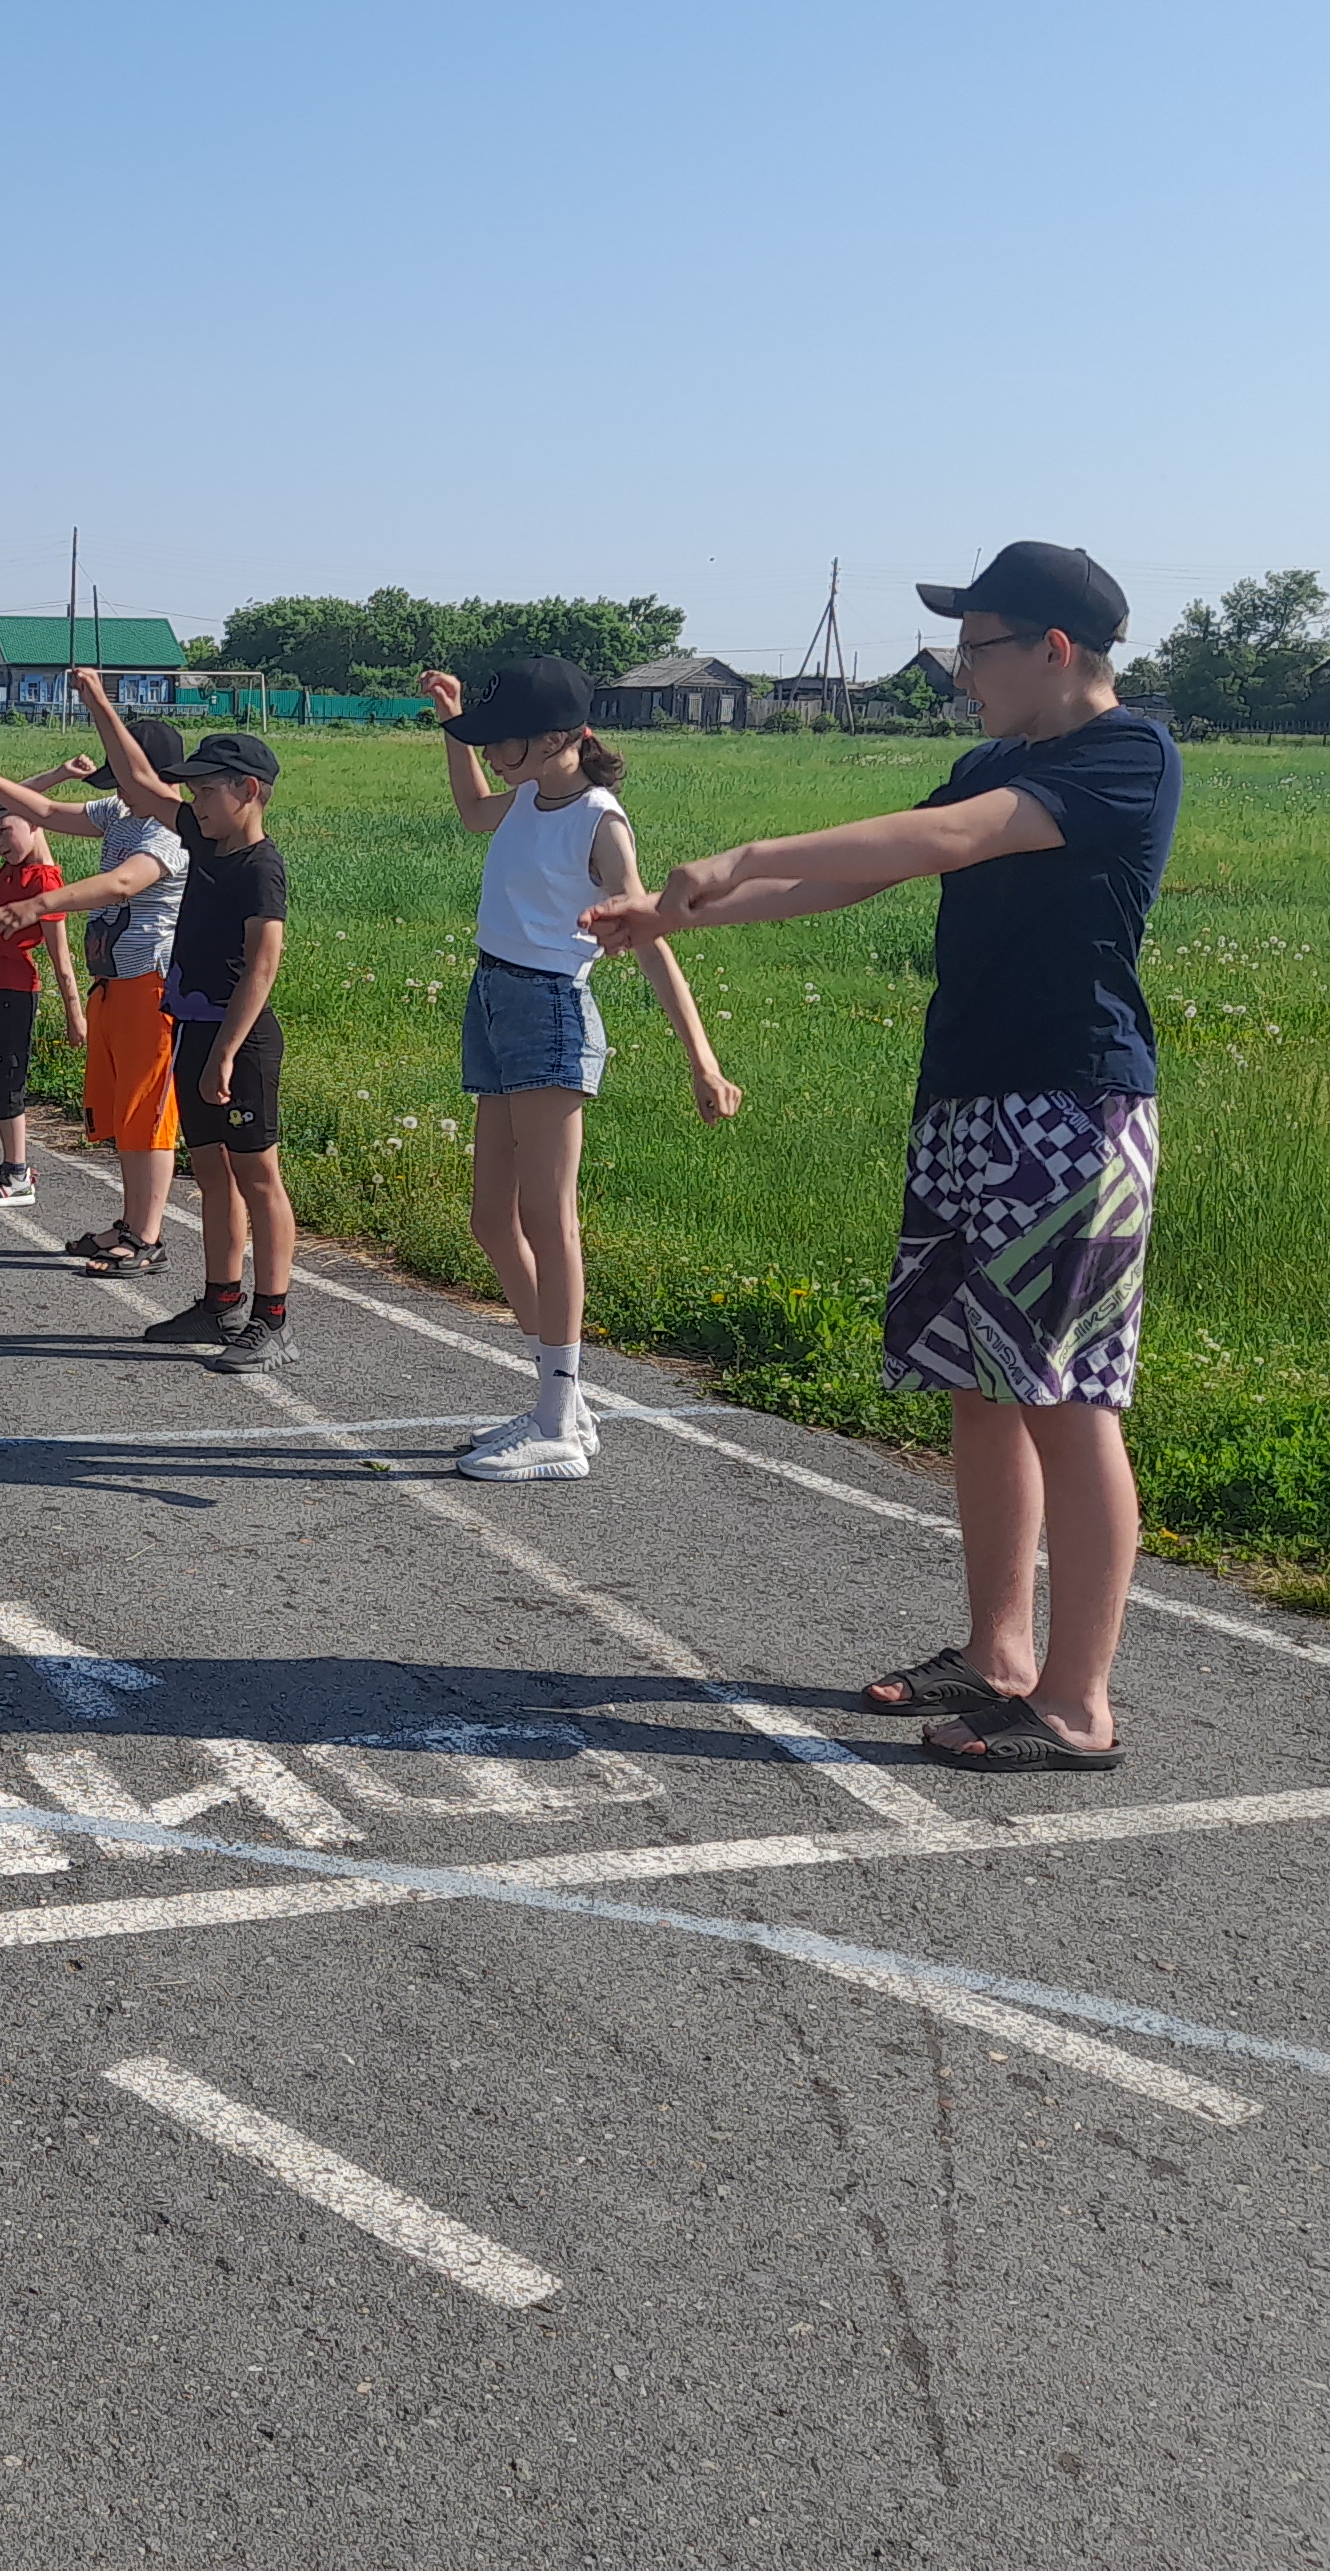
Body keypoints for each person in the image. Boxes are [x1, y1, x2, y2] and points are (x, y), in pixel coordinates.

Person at [583, 542, 1179, 1775]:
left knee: (1066, 1399)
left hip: (1071, 1110)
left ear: (1052, 651)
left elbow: (946, 839)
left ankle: (1076, 1704)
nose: (962, 675)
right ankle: (1000, 1653)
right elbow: (882, 867)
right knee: (979, 1382)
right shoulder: (993, 758)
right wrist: (683, 910)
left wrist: (746, 852)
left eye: (977, 649)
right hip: (970, 1099)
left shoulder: (1126, 756)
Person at [421, 657, 743, 1481]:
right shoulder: (530, 795)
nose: (494, 756)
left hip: (551, 1009)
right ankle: (560, 1400)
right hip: (492, 999)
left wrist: (702, 1062)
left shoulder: (602, 823)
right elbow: (469, 814)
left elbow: (651, 937)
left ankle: (559, 1423)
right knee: (492, 1220)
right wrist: (455, 721)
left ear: (562, 738)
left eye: (505, 743)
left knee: (544, 1216)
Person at [0, 695, 190, 1280]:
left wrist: (38, 903)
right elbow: (45, 810)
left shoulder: (169, 834)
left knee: (147, 1116)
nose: (120, 791)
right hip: (114, 984)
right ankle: (130, 1221)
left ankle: (147, 1236)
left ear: (159, 779)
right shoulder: (122, 813)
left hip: (152, 987)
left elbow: (121, 884)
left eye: (129, 779)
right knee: (122, 1113)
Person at [143, 731, 304, 1372]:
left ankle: (273, 1318)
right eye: (193, 789)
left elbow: (263, 967)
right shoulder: (205, 841)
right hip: (195, 1028)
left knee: (258, 1177)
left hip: (242, 1040)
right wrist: (98, 700)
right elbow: (137, 786)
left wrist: (227, 1052)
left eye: (206, 789)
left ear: (249, 792)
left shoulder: (260, 866)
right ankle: (219, 1301)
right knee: (211, 1172)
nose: (194, 799)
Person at [0, 802, 84, 1206]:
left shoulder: (44, 881)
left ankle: (18, 1172)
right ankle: (12, 1163)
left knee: (5, 1078)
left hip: (12, 992)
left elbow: (61, 957)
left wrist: (74, 1013)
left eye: (4, 830)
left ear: (33, 824)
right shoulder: (14, 870)